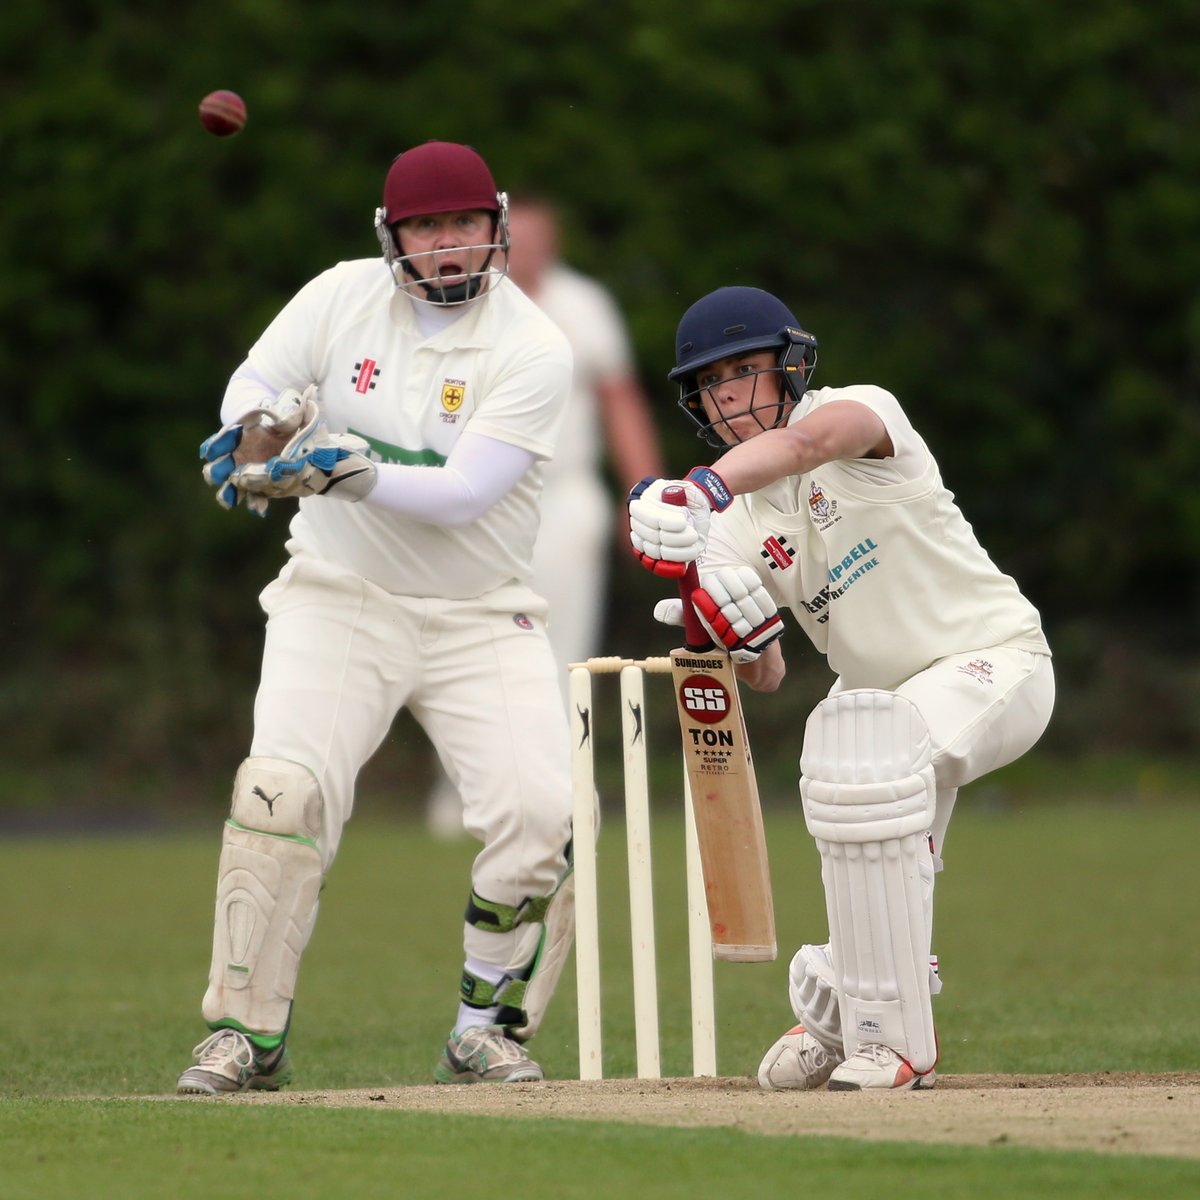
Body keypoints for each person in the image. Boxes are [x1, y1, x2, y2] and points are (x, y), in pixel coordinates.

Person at [178, 141, 579, 1094]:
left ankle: (484, 1031)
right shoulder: (338, 296)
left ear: (498, 227)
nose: (448, 246)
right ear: (392, 236)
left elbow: (463, 494)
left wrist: (346, 471)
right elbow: (252, 386)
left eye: (465, 225)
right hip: (340, 597)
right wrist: (257, 431)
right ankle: (245, 1032)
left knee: (542, 819)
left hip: (482, 610)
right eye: (426, 228)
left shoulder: (534, 347)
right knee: (278, 793)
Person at [628, 286, 1054, 1091]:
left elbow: (807, 445)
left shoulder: (856, 410)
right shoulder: (731, 526)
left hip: (999, 662)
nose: (729, 396)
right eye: (711, 384)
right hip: (887, 714)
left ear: (790, 366)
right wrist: (736, 636)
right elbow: (770, 672)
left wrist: (702, 485)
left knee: (863, 755)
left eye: (745, 371)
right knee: (849, 752)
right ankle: (843, 1003)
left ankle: (889, 1039)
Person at [425, 194, 665, 837]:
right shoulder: (463, 305)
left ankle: (556, 793)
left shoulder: (582, 305)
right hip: (479, 501)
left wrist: (644, 494)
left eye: (538, 240)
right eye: (515, 239)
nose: (525, 252)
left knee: (563, 649)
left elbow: (621, 402)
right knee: (469, 641)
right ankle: (466, 799)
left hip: (563, 497)